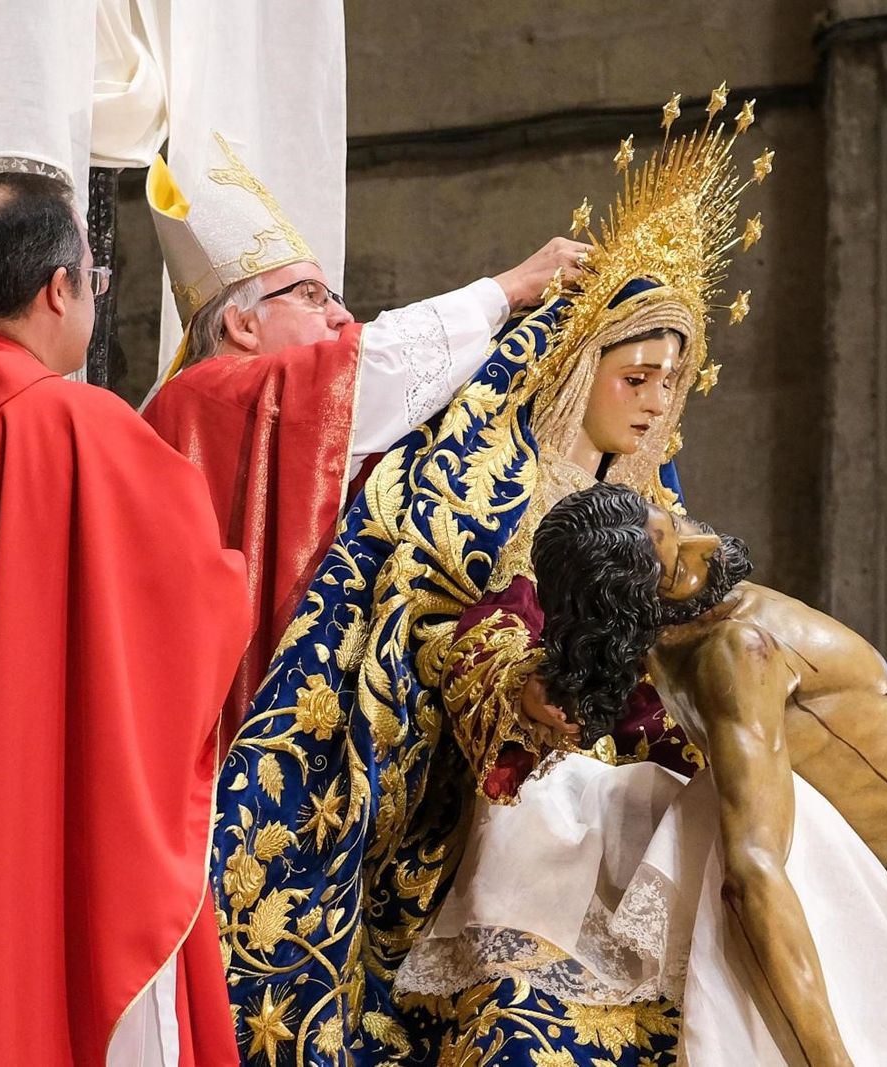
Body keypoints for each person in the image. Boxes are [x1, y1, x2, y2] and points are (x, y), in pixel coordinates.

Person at [210, 92, 763, 1063]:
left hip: (649, 809)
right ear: (578, 365)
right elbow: (435, 637)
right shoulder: (482, 487)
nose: (653, 403)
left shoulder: (666, 519)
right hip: (514, 814)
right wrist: (534, 694)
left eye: (672, 382)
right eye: (634, 374)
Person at [397, 482, 887, 1065]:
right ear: (639, 600)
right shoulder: (736, 654)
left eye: (677, 522)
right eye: (674, 560)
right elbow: (754, 871)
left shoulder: (678, 642)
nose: (700, 542)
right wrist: (831, 1058)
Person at [0, 172, 252, 1065]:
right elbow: (202, 605)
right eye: (94, 283)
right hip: (17, 872)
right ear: (58, 289)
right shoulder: (77, 429)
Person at [140, 132, 589, 743]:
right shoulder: (207, 394)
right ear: (242, 324)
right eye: (311, 296)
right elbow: (376, 362)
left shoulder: (268, 399)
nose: (341, 318)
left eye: (337, 299)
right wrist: (508, 289)